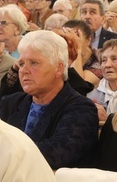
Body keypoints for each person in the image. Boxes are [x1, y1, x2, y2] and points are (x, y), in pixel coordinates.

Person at [0, 30, 98, 169]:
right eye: (21, 64)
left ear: (59, 68)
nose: (24, 70)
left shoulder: (81, 109)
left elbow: (55, 156)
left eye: (33, 63)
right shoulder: (10, 103)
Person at [87, 39, 117, 121]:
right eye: (104, 60)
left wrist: (107, 120)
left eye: (114, 59)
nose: (107, 65)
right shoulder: (91, 97)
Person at [64, 19, 103, 87]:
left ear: (88, 40)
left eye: (76, 37)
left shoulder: (99, 62)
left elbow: (80, 86)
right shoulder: (64, 57)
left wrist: (78, 49)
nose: (70, 42)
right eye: (66, 38)